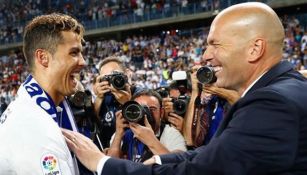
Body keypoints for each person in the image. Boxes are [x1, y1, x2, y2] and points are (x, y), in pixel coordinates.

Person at [62, 2, 307, 174]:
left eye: (215, 45)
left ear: (254, 49)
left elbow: (204, 170)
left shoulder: (272, 103)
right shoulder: (286, 89)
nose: (206, 56)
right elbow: (212, 154)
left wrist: (102, 163)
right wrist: (160, 159)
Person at [0, 13, 85, 174]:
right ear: (43, 58)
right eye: (74, 53)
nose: (82, 61)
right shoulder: (36, 129)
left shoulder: (33, 105)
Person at [107, 89, 186, 162]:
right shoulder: (124, 132)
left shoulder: (171, 134)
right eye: (140, 109)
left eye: (152, 109)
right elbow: (110, 168)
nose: (145, 113)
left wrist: (151, 140)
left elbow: (179, 166)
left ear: (161, 113)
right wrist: (118, 135)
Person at [93, 56, 133, 149]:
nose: (113, 80)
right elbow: (92, 123)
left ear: (127, 73)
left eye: (115, 74)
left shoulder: (141, 96)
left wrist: (127, 103)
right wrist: (99, 98)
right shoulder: (104, 98)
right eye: (107, 78)